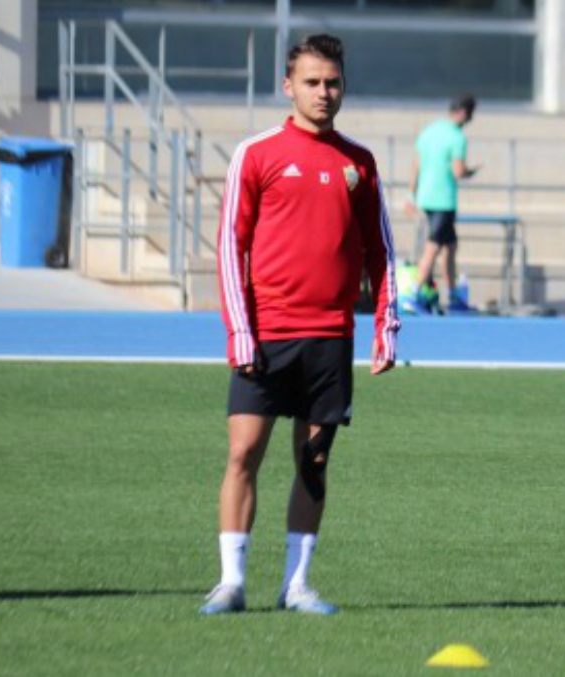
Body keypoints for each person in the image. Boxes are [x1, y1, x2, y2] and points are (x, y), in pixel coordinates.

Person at [201, 33, 400, 615]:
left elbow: (380, 253)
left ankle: (296, 585)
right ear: (288, 86)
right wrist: (240, 330)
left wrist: (385, 329)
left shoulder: (359, 162)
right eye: (312, 82)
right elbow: (228, 248)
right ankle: (230, 582)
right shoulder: (257, 154)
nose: (323, 92)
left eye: (332, 82)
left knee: (314, 460)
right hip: (265, 336)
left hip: (330, 337)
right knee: (243, 453)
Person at [405, 94, 478, 313]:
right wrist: (470, 172)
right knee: (434, 246)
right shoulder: (457, 137)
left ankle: (454, 295)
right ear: (464, 113)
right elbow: (458, 171)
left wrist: (411, 195)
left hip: (426, 197)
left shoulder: (429, 132)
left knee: (450, 245)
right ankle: (414, 292)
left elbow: (416, 165)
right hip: (443, 199)